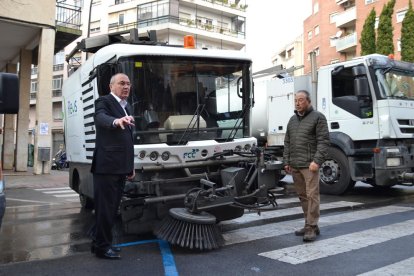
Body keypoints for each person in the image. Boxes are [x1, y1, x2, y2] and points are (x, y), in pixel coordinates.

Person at [90, 73, 135, 259]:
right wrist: (116, 121)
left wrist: (130, 166)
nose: (126, 87)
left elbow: (128, 141)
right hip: (106, 167)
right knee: (105, 209)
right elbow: (100, 118)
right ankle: (102, 247)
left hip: (120, 168)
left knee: (112, 209)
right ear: (111, 86)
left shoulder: (126, 107)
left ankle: (100, 244)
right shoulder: (104, 101)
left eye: (128, 84)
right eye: (122, 83)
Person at [283, 90, 330, 242]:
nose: (297, 103)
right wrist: (287, 161)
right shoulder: (292, 120)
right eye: (296, 100)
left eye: (301, 100)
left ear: (308, 101)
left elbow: (324, 141)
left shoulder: (318, 117)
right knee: (303, 196)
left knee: (312, 196)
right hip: (295, 164)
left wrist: (317, 161)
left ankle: (311, 227)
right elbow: (287, 142)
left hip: (310, 165)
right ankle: (309, 224)